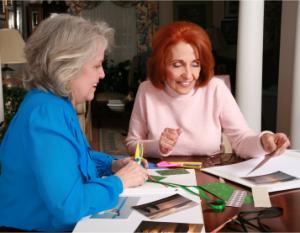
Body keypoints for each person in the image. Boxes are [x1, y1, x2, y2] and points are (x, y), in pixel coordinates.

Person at [0, 14, 148, 232]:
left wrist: (111, 165)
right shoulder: (46, 113)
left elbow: (73, 158)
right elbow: (69, 206)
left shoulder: (55, 103)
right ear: (67, 66)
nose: (103, 74)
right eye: (97, 65)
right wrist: (119, 181)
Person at [125, 21, 290, 158]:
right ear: (161, 65)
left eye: (195, 64)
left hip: (209, 174)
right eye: (177, 65)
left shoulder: (215, 88)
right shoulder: (146, 90)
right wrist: (158, 146)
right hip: (161, 176)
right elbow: (132, 144)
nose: (188, 75)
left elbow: (240, 139)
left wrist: (264, 141)